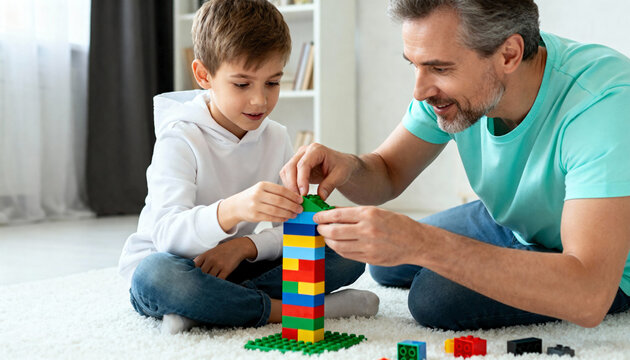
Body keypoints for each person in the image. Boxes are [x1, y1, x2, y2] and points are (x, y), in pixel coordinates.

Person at [280, 0, 630, 331]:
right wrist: (348, 166)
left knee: (434, 298)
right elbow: (388, 171)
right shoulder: (456, 92)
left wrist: (423, 243)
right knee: (386, 264)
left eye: (439, 68)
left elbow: (588, 294)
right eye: (414, 65)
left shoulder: (603, 104)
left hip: (604, 265)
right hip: (515, 221)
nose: (419, 90)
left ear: (509, 54)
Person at [118, 0, 378, 335]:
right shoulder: (179, 137)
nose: (260, 100)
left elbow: (293, 230)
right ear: (203, 75)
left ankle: (209, 309)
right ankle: (289, 310)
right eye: (242, 84)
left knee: (347, 250)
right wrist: (232, 210)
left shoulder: (275, 137)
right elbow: (167, 236)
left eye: (272, 83)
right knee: (158, 277)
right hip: (176, 265)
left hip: (235, 265)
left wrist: (244, 246)